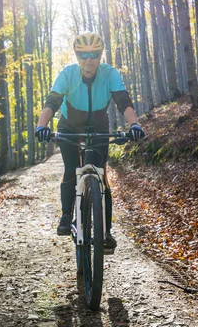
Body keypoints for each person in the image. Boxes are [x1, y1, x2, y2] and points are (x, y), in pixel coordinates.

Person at [35, 32, 145, 249]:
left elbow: (123, 101)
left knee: (100, 176)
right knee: (71, 169)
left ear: (100, 55)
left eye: (94, 54)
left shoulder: (109, 73)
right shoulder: (68, 74)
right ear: (77, 56)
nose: (89, 59)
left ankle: (106, 232)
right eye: (84, 54)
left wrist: (135, 124)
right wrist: (41, 126)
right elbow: (52, 102)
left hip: (98, 127)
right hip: (69, 126)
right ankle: (67, 215)